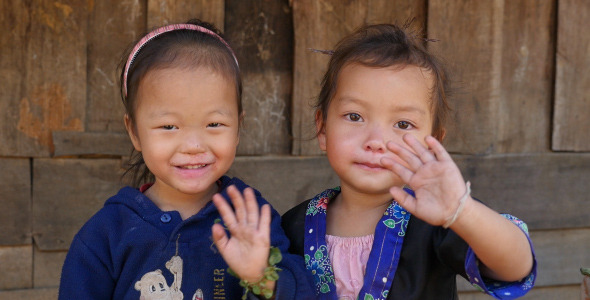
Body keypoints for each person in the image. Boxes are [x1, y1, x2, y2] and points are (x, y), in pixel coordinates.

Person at [59, 19, 313, 300]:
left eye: (214, 124)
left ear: (238, 127)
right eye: (169, 127)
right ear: (134, 131)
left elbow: (304, 292)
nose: (193, 146)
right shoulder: (105, 235)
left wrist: (262, 278)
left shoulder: (249, 219)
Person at [281, 23, 537, 300]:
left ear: (433, 143)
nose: (376, 140)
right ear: (322, 129)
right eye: (354, 116)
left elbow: (516, 268)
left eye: (403, 124)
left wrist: (461, 212)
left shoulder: (438, 218)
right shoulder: (292, 226)